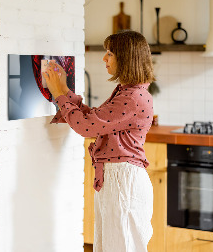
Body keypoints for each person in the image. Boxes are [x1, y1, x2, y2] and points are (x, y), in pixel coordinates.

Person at [43, 30, 155, 252]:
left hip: (123, 181)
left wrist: (58, 94)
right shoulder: (128, 92)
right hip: (118, 179)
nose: (104, 58)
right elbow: (94, 119)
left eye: (110, 53)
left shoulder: (132, 97)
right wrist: (64, 90)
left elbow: (86, 127)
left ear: (126, 58)